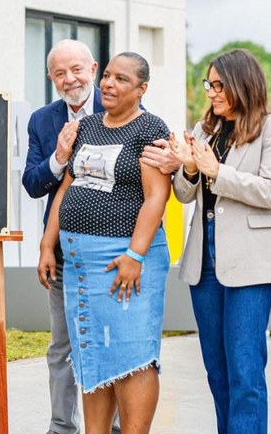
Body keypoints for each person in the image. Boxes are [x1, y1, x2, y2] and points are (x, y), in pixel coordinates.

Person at [38, 52, 171, 434]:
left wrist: (134, 254)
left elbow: (156, 198)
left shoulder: (150, 129)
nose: (109, 84)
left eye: (122, 80)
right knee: (92, 352)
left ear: (141, 89)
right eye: (108, 76)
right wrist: (49, 244)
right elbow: (68, 185)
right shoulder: (89, 125)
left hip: (123, 261)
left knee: (132, 356)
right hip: (79, 261)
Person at [169, 48, 271, 434]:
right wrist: (189, 169)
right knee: (217, 372)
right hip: (204, 262)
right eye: (209, 84)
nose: (212, 92)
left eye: (220, 84)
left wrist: (216, 171)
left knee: (245, 374)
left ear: (243, 83)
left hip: (251, 262)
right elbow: (185, 194)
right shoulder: (202, 129)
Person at [22, 39, 110, 434]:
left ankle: (117, 425)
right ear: (51, 78)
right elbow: (32, 184)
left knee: (109, 341)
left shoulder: (122, 111)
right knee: (62, 345)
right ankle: (61, 426)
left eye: (76, 69)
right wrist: (58, 158)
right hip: (59, 250)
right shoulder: (42, 119)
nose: (70, 79)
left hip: (110, 249)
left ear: (93, 69)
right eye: (60, 73)